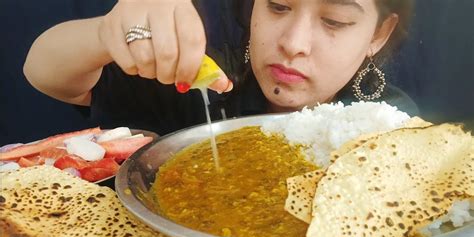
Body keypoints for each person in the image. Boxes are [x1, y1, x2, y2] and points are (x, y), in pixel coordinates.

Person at [23, 0, 418, 136]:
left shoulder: (394, 130)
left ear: (379, 34)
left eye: (334, 21)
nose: (294, 44)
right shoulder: (199, 81)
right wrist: (106, 33)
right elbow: (48, 76)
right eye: (278, 6)